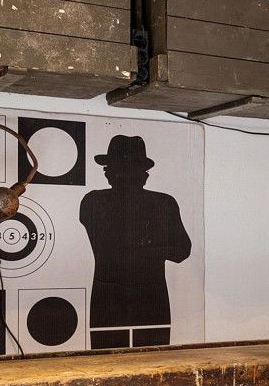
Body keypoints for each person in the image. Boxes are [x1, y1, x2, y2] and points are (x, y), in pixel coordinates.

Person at [78, 134, 192, 348]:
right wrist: (150, 247)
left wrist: (145, 248)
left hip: (138, 296)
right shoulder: (161, 203)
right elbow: (180, 250)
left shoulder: (94, 202)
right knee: (117, 360)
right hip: (122, 296)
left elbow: (182, 250)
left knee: (133, 360)